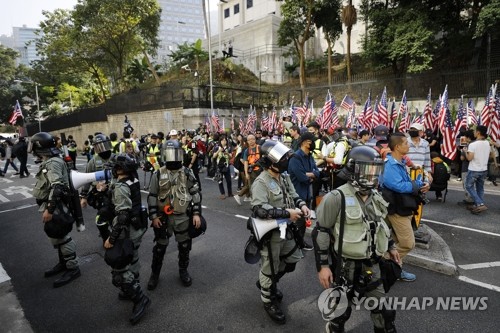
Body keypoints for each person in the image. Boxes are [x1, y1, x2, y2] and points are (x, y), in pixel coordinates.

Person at [313, 146, 400, 333]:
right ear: (353, 169)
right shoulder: (336, 198)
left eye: (376, 171)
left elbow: (381, 224)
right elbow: (321, 231)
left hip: (372, 264)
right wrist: (323, 266)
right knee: (341, 311)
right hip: (345, 266)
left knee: (384, 312)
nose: (372, 176)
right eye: (367, 170)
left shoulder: (376, 196)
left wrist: (391, 246)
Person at [250, 140, 310, 324]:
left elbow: (293, 195)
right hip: (271, 234)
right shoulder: (261, 182)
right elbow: (259, 210)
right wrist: (287, 213)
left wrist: (302, 205)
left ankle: (267, 283)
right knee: (270, 267)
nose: (286, 160)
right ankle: (268, 300)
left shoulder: (283, 177)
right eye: (282, 158)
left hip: (286, 229)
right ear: (271, 161)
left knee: (292, 260)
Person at [146, 140, 202, 290]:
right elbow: (152, 195)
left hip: (182, 217)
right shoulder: (158, 173)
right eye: (169, 154)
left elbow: (195, 193)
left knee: (184, 246)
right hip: (163, 218)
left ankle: (183, 271)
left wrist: (196, 213)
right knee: (160, 248)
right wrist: (154, 216)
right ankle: (155, 274)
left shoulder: (187, 173)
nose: (173, 158)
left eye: (175, 154)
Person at [30, 132, 81, 288]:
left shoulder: (53, 163)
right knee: (57, 236)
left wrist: (50, 210)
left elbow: (57, 187)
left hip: (57, 206)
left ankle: (73, 268)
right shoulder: (50, 161)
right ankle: (63, 263)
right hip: (53, 204)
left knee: (63, 236)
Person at [104, 153, 150, 324]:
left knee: (120, 272)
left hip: (127, 230)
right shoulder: (132, 178)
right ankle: (133, 287)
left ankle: (139, 298)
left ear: (119, 169)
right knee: (133, 257)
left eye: (115, 167)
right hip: (136, 228)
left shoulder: (122, 187)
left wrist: (111, 238)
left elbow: (122, 216)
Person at [380, 133, 430, 282]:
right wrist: (418, 185)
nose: (409, 146)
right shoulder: (390, 165)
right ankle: (381, 263)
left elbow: (406, 182)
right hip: (397, 209)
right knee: (408, 244)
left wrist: (422, 183)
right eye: (406, 143)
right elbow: (398, 186)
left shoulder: (400, 162)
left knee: (396, 242)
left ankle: (396, 269)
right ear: (397, 147)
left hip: (403, 207)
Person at [80, 134, 115, 245]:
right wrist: (84, 197)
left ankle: (115, 233)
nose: (101, 149)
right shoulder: (93, 162)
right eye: (97, 147)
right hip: (102, 195)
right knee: (102, 216)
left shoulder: (116, 157)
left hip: (116, 192)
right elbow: (86, 179)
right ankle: (106, 237)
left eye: (103, 146)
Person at [287, 132, 319, 251]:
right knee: (297, 222)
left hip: (307, 194)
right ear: (305, 142)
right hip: (297, 195)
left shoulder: (310, 156)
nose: (314, 143)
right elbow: (302, 177)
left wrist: (311, 174)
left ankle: (299, 242)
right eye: (312, 141)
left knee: (304, 220)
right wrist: (311, 175)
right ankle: (296, 245)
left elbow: (317, 172)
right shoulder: (295, 157)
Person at [464, 125, 490, 214]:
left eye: (475, 131)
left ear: (478, 132)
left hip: (474, 168)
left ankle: (479, 203)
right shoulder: (487, 143)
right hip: (484, 168)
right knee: (480, 188)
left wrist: (465, 152)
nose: (474, 132)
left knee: (468, 186)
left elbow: (469, 158)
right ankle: (479, 204)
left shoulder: (473, 144)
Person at [234, 134, 261, 203]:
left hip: (261, 170)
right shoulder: (247, 151)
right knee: (251, 186)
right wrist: (246, 173)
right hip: (252, 171)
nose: (251, 141)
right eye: (249, 140)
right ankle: (255, 201)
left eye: (252, 139)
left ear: (255, 140)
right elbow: (245, 162)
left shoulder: (260, 148)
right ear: (247, 141)